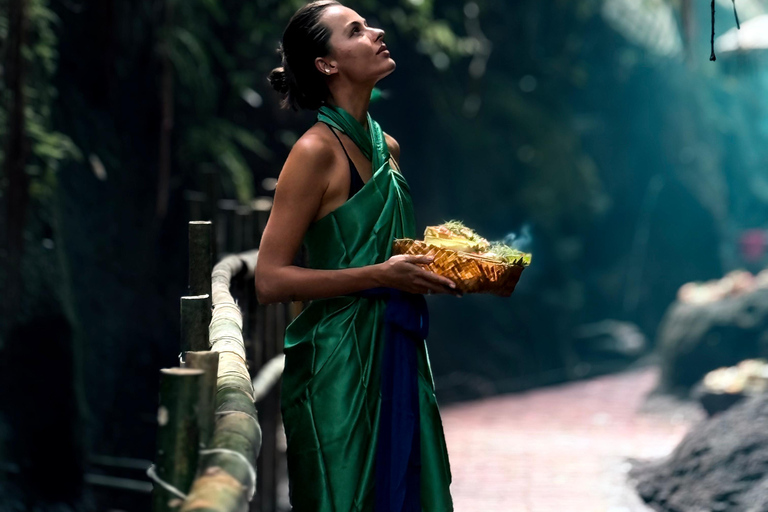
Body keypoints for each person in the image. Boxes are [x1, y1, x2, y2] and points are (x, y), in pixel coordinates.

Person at [255, 2, 456, 510]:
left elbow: (383, 249)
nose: (377, 32)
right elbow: (269, 279)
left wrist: (437, 266)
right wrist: (381, 275)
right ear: (327, 64)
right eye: (356, 31)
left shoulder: (386, 146)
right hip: (338, 364)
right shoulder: (314, 152)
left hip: (398, 346)